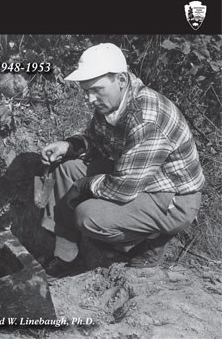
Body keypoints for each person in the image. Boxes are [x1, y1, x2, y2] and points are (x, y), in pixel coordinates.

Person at [40, 43, 205, 280]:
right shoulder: (112, 102)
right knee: (66, 168)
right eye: (86, 91)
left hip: (172, 199)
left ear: (121, 80)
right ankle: (67, 254)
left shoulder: (146, 118)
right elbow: (97, 140)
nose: (89, 99)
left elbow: (123, 188)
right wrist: (70, 146)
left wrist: (85, 186)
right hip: (138, 176)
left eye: (96, 89)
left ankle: (148, 241)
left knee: (88, 216)